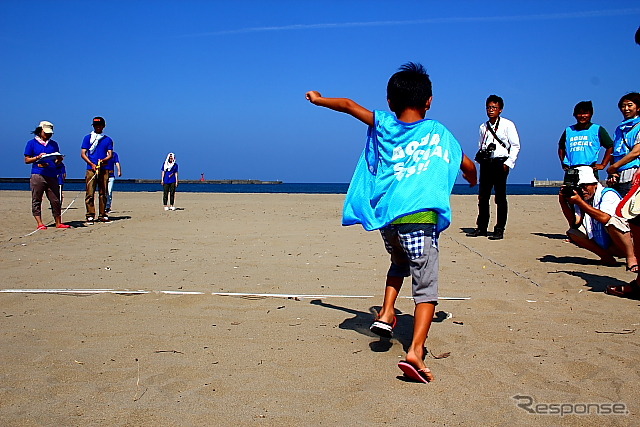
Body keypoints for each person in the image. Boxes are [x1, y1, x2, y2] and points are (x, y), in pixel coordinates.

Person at [306, 62, 477, 383]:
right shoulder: (439, 132)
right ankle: (415, 351)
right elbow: (466, 163)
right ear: (429, 101)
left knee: (398, 263)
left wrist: (318, 99)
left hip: (389, 220)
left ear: (389, 102)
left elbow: (347, 105)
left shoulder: (383, 123)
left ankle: (386, 313)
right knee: (425, 288)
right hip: (420, 219)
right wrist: (472, 176)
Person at [559, 166, 636, 271]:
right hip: (609, 243)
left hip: (630, 242)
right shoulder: (583, 197)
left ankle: (632, 257)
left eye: (585, 186)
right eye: (579, 187)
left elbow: (605, 218)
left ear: (594, 184)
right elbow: (574, 223)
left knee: (612, 222)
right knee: (573, 232)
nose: (583, 190)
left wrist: (580, 202)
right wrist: (563, 201)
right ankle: (607, 257)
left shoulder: (608, 194)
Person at [467, 95, 520, 240]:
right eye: (489, 107)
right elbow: (481, 145)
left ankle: (499, 229)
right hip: (486, 164)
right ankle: (482, 227)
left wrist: (508, 163)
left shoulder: (508, 125)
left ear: (500, 110)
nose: (491, 110)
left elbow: (515, 146)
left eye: (494, 108)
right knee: (483, 197)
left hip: (500, 162)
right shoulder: (483, 127)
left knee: (500, 198)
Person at [23, 121, 71, 229]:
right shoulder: (31, 143)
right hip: (38, 174)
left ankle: (58, 222)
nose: (48, 135)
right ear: (40, 131)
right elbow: (26, 160)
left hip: (52, 174)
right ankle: (39, 223)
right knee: (37, 199)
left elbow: (57, 161)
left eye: (50, 133)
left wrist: (59, 160)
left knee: (55, 199)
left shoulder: (54, 144)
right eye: (46, 133)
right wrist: (37, 158)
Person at [557, 101, 613, 178]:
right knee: (568, 190)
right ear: (575, 115)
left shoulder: (597, 129)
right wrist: (563, 162)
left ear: (591, 114)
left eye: (585, 113)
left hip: (589, 169)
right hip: (571, 169)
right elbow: (561, 147)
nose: (582, 116)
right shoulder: (569, 130)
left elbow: (610, 146)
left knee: (589, 190)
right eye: (579, 113)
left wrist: (603, 164)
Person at [81, 116, 113, 224]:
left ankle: (103, 214)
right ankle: (90, 214)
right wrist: (91, 163)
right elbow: (83, 153)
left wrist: (103, 160)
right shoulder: (87, 138)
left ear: (103, 126)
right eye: (95, 125)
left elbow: (110, 154)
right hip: (91, 169)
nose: (97, 127)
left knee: (103, 193)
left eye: (99, 125)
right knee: (90, 192)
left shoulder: (107, 139)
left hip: (104, 169)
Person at [606, 93, 640, 197]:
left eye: (630, 105)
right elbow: (615, 151)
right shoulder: (620, 128)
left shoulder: (638, 126)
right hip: (618, 176)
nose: (626, 109)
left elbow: (636, 151)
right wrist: (612, 171)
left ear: (638, 108)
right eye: (623, 106)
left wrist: (614, 166)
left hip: (633, 173)